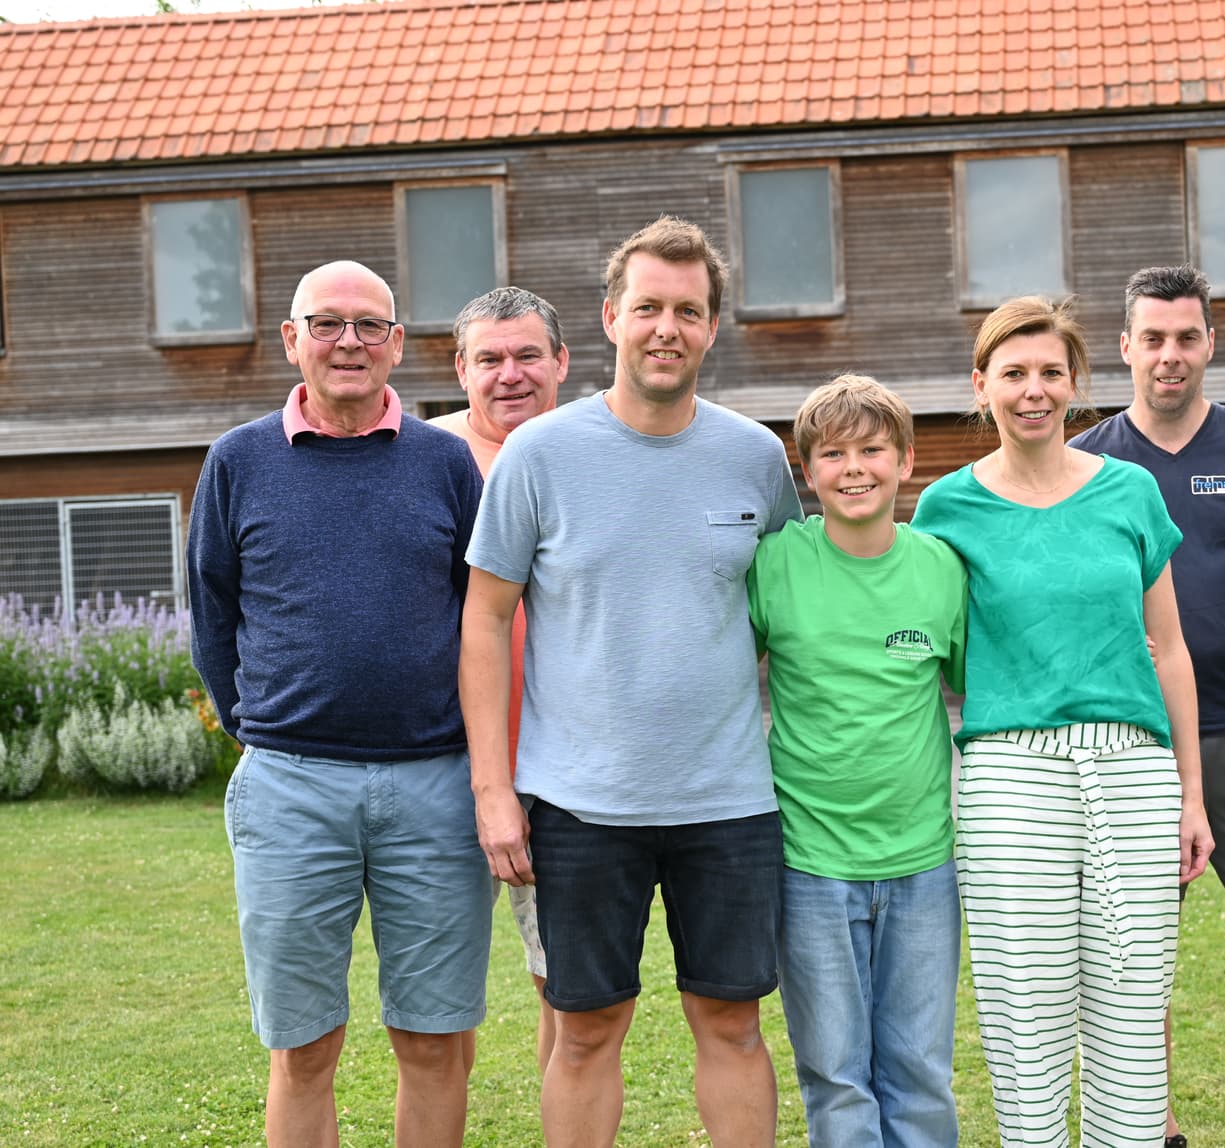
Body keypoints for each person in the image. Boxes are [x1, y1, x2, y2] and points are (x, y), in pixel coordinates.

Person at [459, 217, 802, 1148]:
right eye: (648, 307)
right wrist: (494, 791)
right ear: (611, 318)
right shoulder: (538, 456)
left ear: (712, 327)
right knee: (584, 1031)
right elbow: (485, 621)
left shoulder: (756, 458)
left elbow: (790, 613)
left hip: (728, 800)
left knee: (732, 1024)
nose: (666, 328)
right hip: (578, 802)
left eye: (687, 311)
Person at [187, 260, 490, 1147]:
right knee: (303, 1046)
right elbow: (213, 615)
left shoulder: (445, 463)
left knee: (433, 1041)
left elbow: (482, 614)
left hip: (434, 788)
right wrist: (263, 730)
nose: (347, 341)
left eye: (368, 326)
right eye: (326, 323)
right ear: (293, 340)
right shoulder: (238, 461)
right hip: (291, 788)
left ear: (396, 345)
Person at [912, 296, 1214, 1148]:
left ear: (1076, 382)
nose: (1034, 390)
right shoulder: (946, 508)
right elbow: (932, 656)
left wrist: (1191, 796)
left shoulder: (1130, 491)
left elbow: (1169, 650)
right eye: (1014, 374)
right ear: (981, 386)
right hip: (1012, 775)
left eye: (1051, 372)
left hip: (1133, 771)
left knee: (1133, 1007)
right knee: (1025, 1015)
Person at [1069, 265, 1225, 1148]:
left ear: (1211, 343)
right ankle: (1156, 1127)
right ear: (1125, 348)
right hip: (1130, 743)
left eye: (1185, 337)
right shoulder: (1085, 460)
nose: (1169, 355)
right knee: (1134, 962)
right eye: (1153, 339)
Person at [747, 375, 967, 1148]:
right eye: (833, 454)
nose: (854, 469)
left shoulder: (941, 568)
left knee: (920, 1070)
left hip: (923, 862)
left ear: (905, 460)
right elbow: (713, 670)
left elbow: (992, 686)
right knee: (835, 1074)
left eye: (872, 450)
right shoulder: (775, 564)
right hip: (810, 863)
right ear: (807, 471)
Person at [429, 285, 568, 1075]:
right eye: (489, 359)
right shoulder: (423, 458)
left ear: (562, 362)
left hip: (562, 770)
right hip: (441, 767)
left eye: (527, 355)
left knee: (567, 989)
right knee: (436, 1001)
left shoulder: (592, 450)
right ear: (461, 369)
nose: (509, 374)